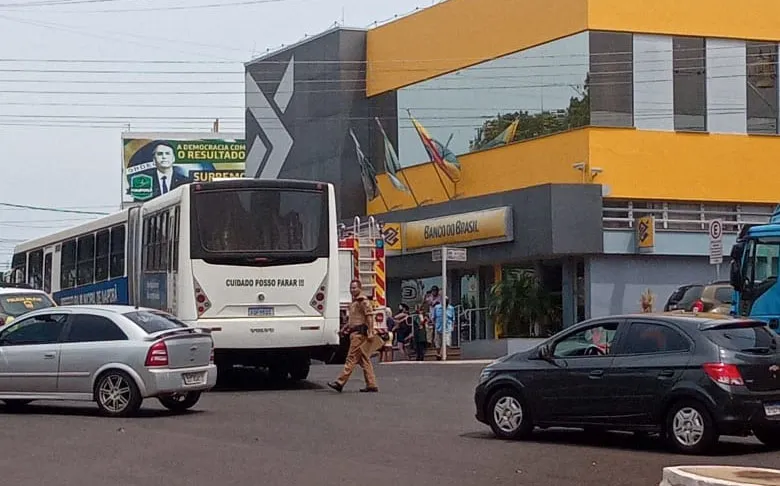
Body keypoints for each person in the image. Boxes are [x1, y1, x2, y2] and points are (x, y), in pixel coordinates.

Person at [328, 279, 380, 393]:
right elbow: (352, 320)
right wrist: (343, 329)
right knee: (364, 359)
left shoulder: (363, 301)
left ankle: (340, 382)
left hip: (359, 335)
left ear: (360, 288)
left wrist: (371, 331)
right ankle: (371, 384)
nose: (352, 290)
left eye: (354, 288)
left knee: (351, 358)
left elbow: (369, 316)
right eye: (351, 288)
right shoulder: (355, 302)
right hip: (354, 333)